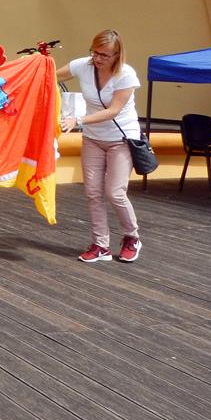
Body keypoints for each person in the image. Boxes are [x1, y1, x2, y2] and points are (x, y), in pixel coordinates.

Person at [56, 29, 143, 263]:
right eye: (95, 52)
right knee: (93, 193)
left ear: (117, 55)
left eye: (104, 55)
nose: (97, 58)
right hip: (93, 138)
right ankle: (100, 245)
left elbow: (113, 110)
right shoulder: (83, 65)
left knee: (115, 192)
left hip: (120, 139)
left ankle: (131, 237)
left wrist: (78, 120)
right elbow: (51, 77)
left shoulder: (126, 75)